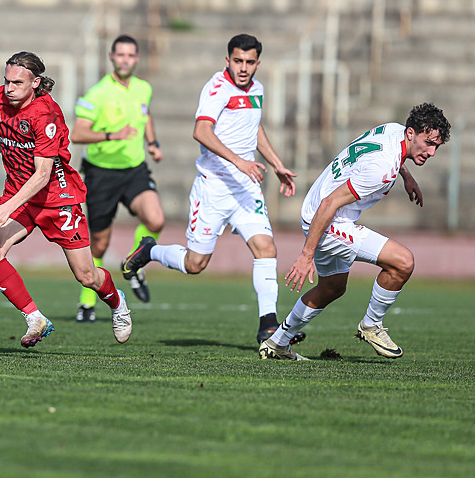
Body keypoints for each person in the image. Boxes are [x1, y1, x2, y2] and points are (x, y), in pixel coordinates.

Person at [122, 33, 301, 345]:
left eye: (249, 62)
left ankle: (268, 326)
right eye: (237, 61)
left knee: (266, 249)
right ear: (227, 60)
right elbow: (201, 130)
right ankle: (150, 250)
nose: (243, 68)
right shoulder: (217, 88)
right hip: (214, 188)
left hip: (246, 189)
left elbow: (253, 126)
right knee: (195, 264)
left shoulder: (257, 89)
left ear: (258, 63)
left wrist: (275, 163)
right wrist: (239, 161)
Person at [259, 103, 450, 360]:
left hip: (316, 207)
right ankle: (371, 325)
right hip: (328, 220)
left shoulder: (393, 130)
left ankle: (276, 344)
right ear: (410, 134)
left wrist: (406, 175)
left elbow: (383, 155)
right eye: (428, 143)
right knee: (403, 262)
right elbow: (330, 204)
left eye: (436, 146)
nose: (432, 151)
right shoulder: (382, 169)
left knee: (332, 288)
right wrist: (306, 256)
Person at [0, 51, 132, 347]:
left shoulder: (44, 114)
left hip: (56, 196)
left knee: (86, 276)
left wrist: (6, 207)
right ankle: (35, 318)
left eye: (17, 83)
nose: (9, 88)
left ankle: (117, 303)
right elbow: (8, 127)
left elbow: (43, 174)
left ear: (35, 83)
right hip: (19, 192)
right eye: (7, 81)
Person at [70, 34, 165, 323]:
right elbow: (77, 133)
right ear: (111, 57)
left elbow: (145, 115)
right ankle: (87, 303)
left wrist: (153, 143)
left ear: (137, 58)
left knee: (156, 220)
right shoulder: (97, 94)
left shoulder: (143, 88)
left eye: (130, 55)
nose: (125, 60)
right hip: (101, 174)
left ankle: (133, 263)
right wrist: (113, 135)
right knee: (98, 244)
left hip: (134, 170)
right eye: (120, 55)